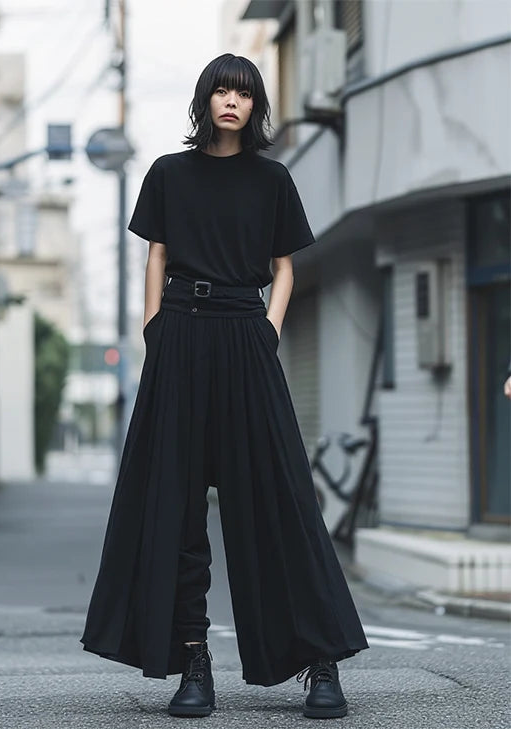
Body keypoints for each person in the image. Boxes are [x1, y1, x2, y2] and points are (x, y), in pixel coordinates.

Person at [79, 54, 369, 720]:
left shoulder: (272, 179)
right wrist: (155, 329)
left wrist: (267, 331)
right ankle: (193, 661)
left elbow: (284, 268)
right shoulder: (168, 173)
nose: (232, 102)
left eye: (244, 93)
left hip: (245, 331)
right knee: (176, 506)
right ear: (204, 100)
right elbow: (154, 253)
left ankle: (318, 661)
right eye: (222, 90)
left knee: (281, 497)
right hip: (180, 331)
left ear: (255, 105)